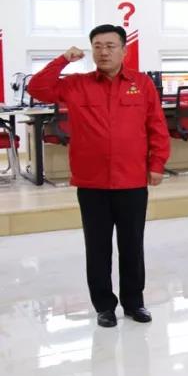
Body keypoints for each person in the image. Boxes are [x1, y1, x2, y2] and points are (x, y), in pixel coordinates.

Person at [27, 25, 170, 328]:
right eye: (97, 46)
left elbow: (156, 125)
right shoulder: (76, 84)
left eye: (110, 45)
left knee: (132, 245)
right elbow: (37, 88)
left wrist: (157, 163)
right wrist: (63, 60)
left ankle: (134, 302)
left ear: (124, 50)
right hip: (92, 182)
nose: (103, 52)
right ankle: (104, 306)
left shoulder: (142, 84)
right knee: (97, 247)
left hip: (131, 180)